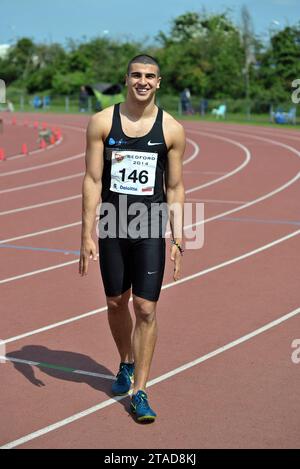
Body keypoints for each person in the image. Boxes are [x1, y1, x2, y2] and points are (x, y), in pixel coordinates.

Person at [79, 54, 185, 423]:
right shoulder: (102, 122)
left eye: (150, 76)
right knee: (114, 302)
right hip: (112, 222)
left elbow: (174, 186)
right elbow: (92, 180)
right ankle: (125, 360)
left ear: (159, 82)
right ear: (126, 79)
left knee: (146, 307)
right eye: (136, 75)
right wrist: (86, 233)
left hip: (150, 224)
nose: (143, 81)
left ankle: (140, 390)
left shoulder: (171, 129)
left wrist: (179, 238)